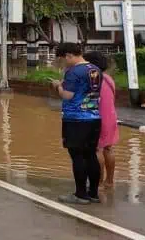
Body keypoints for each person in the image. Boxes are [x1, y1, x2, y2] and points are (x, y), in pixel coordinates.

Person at [51, 43, 102, 205]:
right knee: (91, 155)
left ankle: (80, 194)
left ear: (69, 55)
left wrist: (58, 86)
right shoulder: (95, 69)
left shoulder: (74, 72)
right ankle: (93, 193)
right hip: (94, 117)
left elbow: (67, 95)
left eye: (63, 59)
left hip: (75, 118)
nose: (64, 62)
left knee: (77, 156)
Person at [84, 51, 118, 189]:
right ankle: (109, 181)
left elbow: (87, 102)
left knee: (96, 150)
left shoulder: (92, 79)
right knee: (108, 148)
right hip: (111, 118)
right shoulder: (109, 79)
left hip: (96, 117)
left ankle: (97, 183)